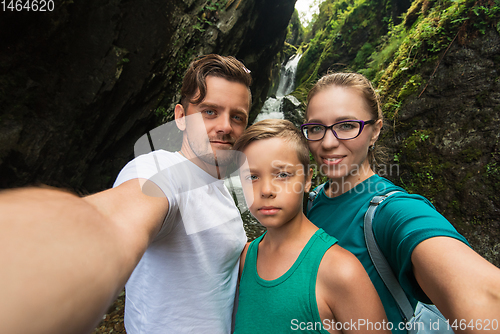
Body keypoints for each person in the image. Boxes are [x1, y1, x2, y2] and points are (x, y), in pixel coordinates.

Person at [0, 54, 252, 334]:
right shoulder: (162, 170)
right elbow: (112, 219)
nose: (226, 126)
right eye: (209, 111)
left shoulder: (221, 189)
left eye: (237, 117)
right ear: (181, 117)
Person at [302, 72, 500, 332]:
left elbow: (486, 295)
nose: (327, 143)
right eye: (316, 128)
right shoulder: (308, 202)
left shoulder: (391, 211)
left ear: (375, 131)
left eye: (347, 126)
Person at [232, 119, 391, 334]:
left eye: (282, 174)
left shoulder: (340, 271)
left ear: (308, 179)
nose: (266, 190)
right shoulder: (244, 260)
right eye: (252, 177)